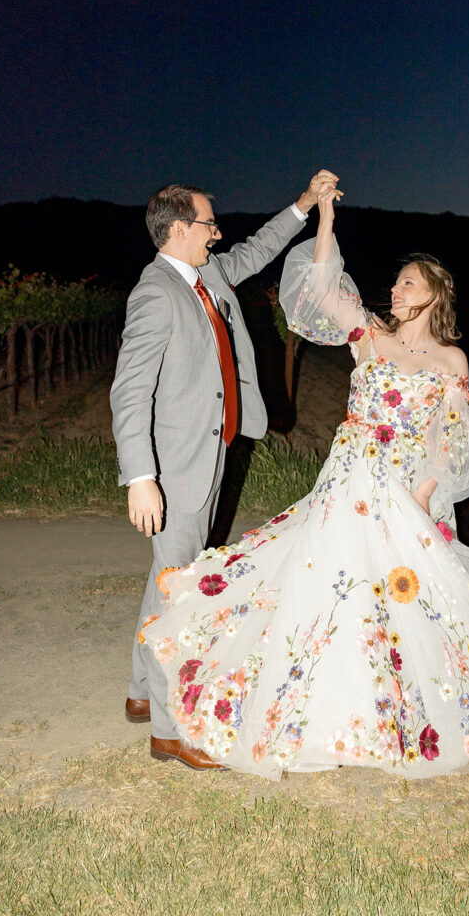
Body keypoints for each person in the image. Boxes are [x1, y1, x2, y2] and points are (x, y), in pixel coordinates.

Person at [140, 186, 469, 780]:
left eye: (407, 284)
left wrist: (424, 494)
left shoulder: (452, 362)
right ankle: (322, 710)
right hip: (347, 488)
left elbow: (447, 439)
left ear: (432, 297)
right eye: (396, 283)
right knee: (329, 593)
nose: (395, 290)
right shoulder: (369, 335)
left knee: (406, 607)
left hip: (409, 495)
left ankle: (406, 710)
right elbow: (321, 287)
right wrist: (323, 217)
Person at [111, 171, 340, 767]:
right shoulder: (156, 293)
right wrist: (141, 476)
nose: (218, 232)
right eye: (210, 223)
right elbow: (129, 392)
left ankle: (141, 691)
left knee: (168, 577)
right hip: (176, 469)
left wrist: (304, 205)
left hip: (211, 451)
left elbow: (257, 251)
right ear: (181, 229)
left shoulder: (204, 273)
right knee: (179, 596)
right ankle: (171, 730)